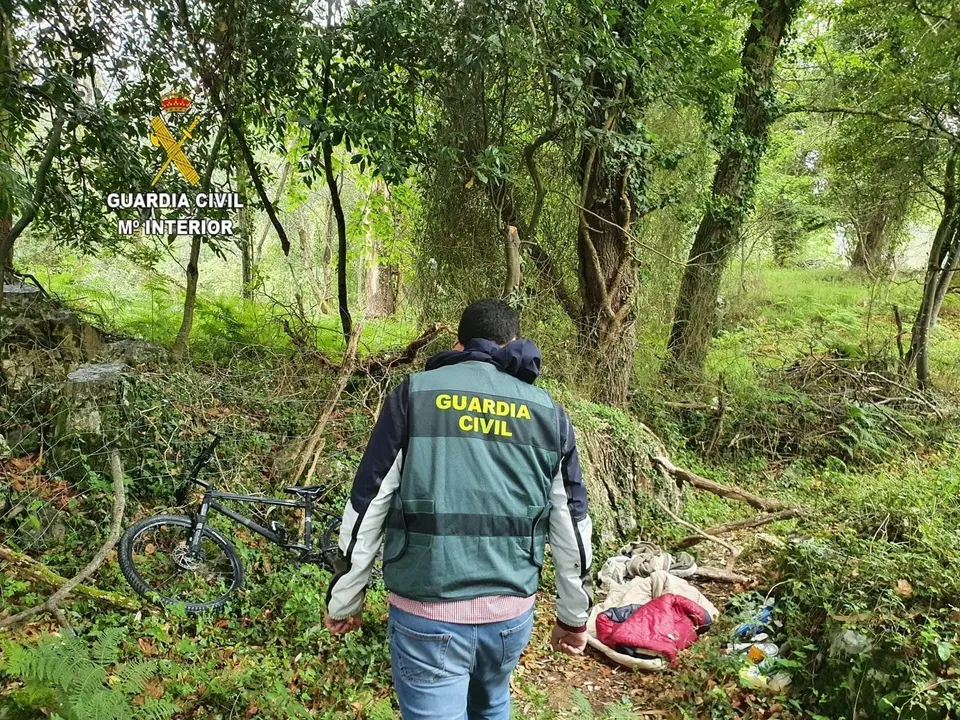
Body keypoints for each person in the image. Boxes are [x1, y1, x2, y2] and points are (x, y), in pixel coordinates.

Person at [324, 298, 594, 720]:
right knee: (492, 705)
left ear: (458, 342)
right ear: (514, 343)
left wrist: (344, 600)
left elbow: (368, 503)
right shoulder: (548, 413)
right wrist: (573, 617)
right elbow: (571, 523)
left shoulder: (414, 395)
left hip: (427, 612)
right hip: (510, 615)